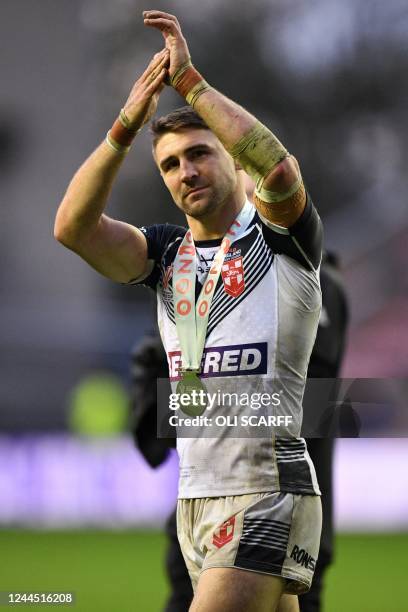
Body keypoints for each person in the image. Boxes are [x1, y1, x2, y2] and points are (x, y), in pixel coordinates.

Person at [55, 10, 324, 612]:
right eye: (171, 164)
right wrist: (126, 126)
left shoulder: (283, 238)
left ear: (231, 161)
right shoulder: (164, 255)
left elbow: (279, 171)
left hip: (263, 487)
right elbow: (73, 228)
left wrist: (192, 85)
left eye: (200, 154)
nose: (186, 172)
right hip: (195, 495)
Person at [131, 251, 349, 612]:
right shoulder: (187, 279)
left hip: (273, 504)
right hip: (202, 509)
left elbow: (317, 397)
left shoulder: (315, 280)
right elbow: (155, 367)